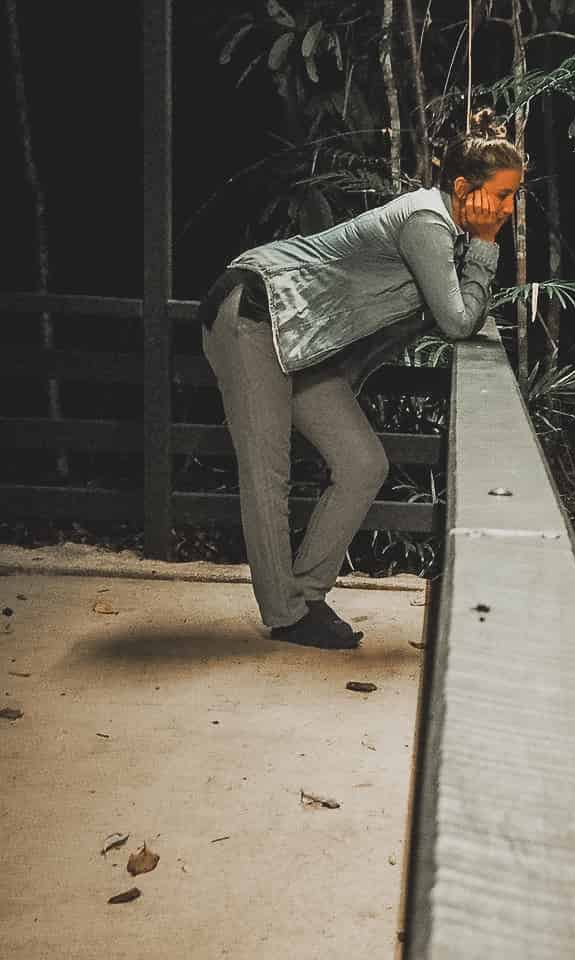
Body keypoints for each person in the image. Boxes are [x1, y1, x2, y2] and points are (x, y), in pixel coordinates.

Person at [198, 109, 524, 649]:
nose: (508, 209)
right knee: (267, 473)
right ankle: (287, 615)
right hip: (256, 310)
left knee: (362, 462)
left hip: (300, 338)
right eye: (503, 195)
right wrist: (488, 243)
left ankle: (306, 592)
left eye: (513, 198)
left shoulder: (447, 232)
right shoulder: (427, 224)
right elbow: (458, 320)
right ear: (465, 188)